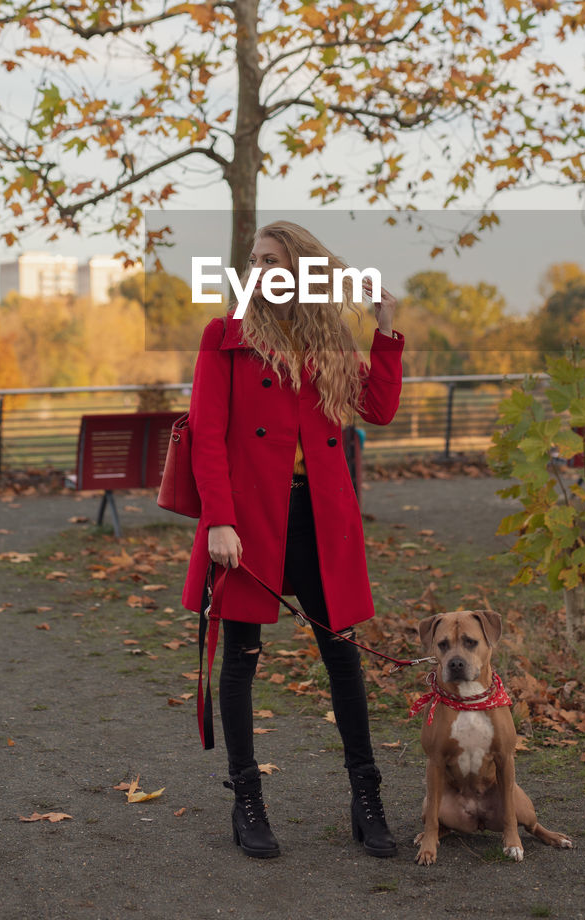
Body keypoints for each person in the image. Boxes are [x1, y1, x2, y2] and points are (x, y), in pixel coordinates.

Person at [181, 220, 404, 860]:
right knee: (242, 658)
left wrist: (385, 327)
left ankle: (368, 800)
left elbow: (379, 408)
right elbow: (207, 437)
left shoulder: (328, 339)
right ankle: (247, 801)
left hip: (319, 516)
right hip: (249, 520)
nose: (259, 271)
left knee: (343, 657)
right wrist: (219, 519)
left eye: (273, 260)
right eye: (254, 261)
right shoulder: (225, 336)